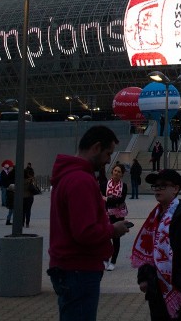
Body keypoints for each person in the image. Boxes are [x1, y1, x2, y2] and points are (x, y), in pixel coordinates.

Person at [48, 125, 132, 321]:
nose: (109, 160)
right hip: (79, 269)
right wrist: (113, 230)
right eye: (108, 153)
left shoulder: (67, 176)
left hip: (68, 267)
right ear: (96, 148)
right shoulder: (81, 180)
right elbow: (84, 232)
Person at [132, 169, 181, 321]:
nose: (157, 189)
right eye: (155, 186)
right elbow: (147, 250)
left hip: (176, 293)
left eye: (163, 185)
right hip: (155, 290)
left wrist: (179, 289)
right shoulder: (154, 217)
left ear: (176, 188)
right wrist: (144, 277)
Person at [103, 162, 129, 271]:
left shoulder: (124, 186)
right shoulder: (105, 184)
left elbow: (121, 200)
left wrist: (107, 199)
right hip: (106, 214)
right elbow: (101, 199)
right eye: (115, 171)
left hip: (118, 215)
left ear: (122, 175)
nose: (116, 173)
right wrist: (112, 201)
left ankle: (113, 261)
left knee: (116, 238)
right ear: (112, 171)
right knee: (105, 237)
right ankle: (105, 259)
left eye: (119, 172)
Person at [0, 160, 15, 224]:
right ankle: (4, 203)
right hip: (5, 185)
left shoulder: (7, 172)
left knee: (11, 209)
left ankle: (8, 220)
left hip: (7, 186)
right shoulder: (4, 172)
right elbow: (4, 179)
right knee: (4, 194)